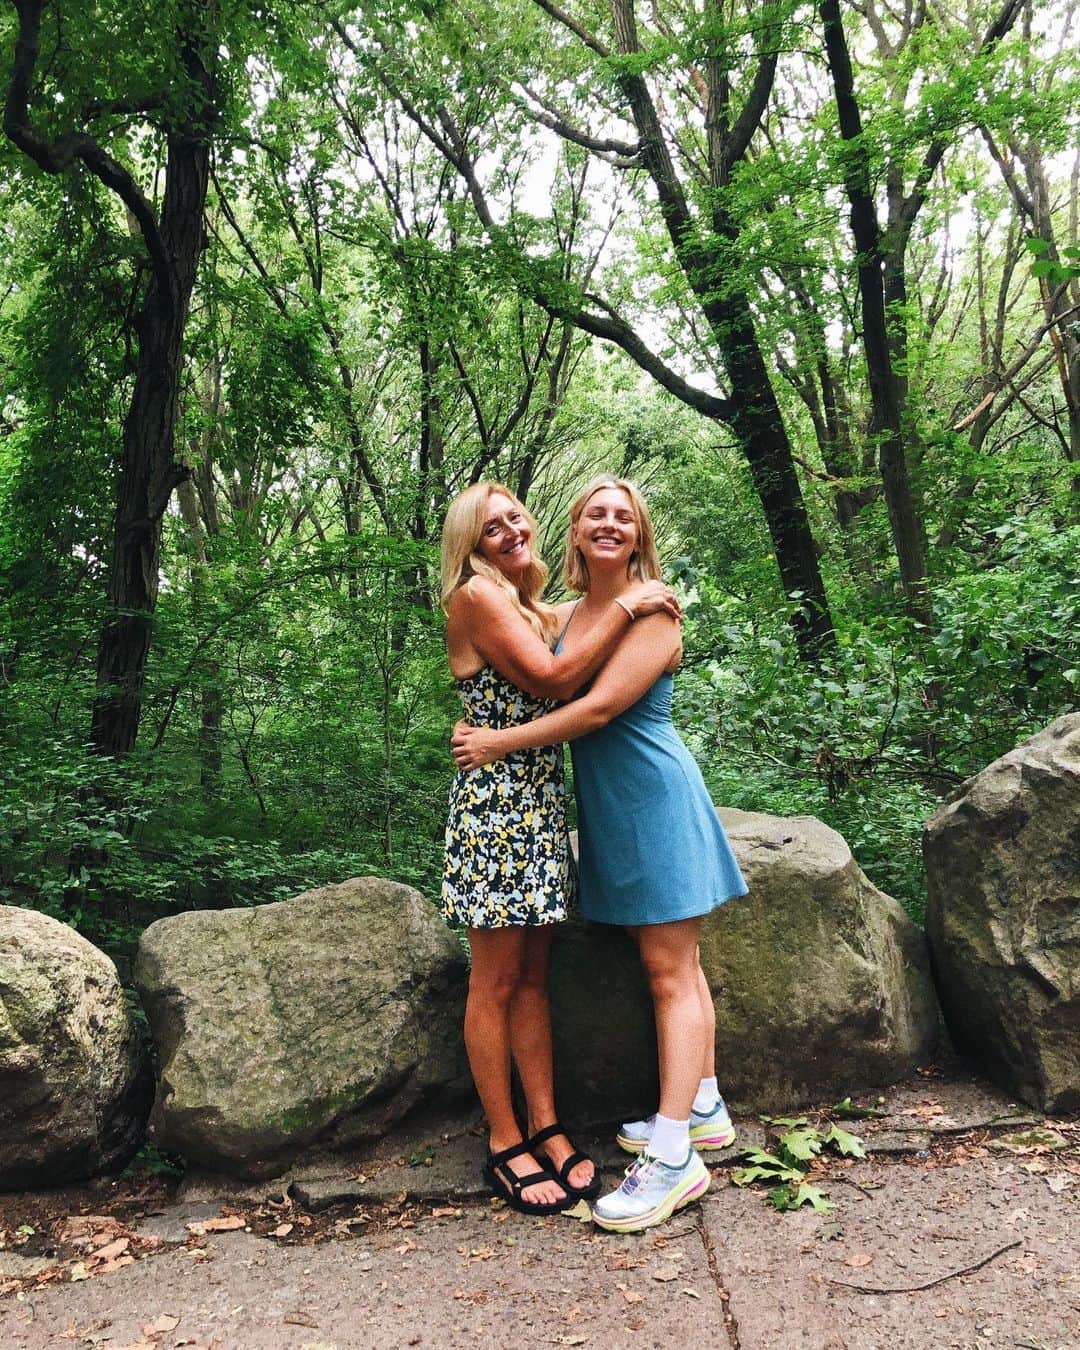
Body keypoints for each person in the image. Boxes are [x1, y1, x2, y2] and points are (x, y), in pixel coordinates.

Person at [451, 474, 748, 1233]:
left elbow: (599, 706)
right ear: (576, 531)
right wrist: (613, 605)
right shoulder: (563, 611)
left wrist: (497, 742)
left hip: (652, 800)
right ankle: (703, 1105)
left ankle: (678, 1154)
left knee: (670, 971)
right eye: (595, 514)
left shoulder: (653, 612)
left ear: (640, 535)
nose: (609, 524)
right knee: (673, 969)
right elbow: (542, 652)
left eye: (624, 516)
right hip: (596, 811)